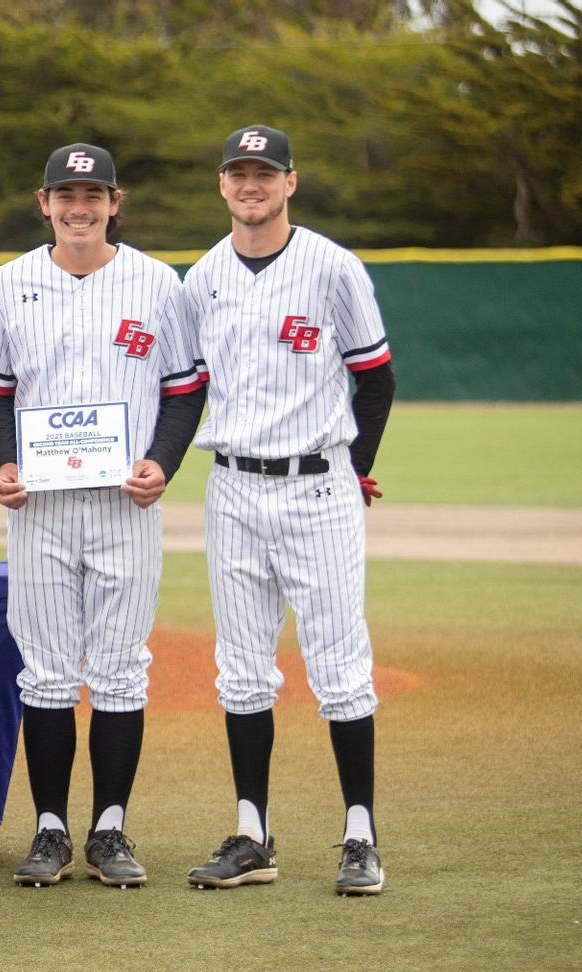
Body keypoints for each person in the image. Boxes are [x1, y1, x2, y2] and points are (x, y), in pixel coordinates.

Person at [0, 143, 206, 889]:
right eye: (65, 194)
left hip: (124, 505)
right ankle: (48, 829)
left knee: (119, 671)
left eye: (93, 194)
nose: (80, 206)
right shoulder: (10, 284)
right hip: (39, 506)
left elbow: (184, 386)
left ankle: (108, 828)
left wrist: (162, 463)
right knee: (44, 673)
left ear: (115, 201)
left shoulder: (157, 282)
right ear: (44, 202)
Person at [181, 126, 396, 896]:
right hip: (233, 485)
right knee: (240, 670)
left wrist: (354, 468)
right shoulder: (201, 278)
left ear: (290, 183)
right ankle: (251, 834)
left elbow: (375, 379)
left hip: (317, 486)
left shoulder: (333, 267)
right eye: (239, 173)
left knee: (340, 667)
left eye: (264, 174)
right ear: (223, 184)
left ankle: (360, 835)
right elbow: (186, 386)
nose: (251, 185)